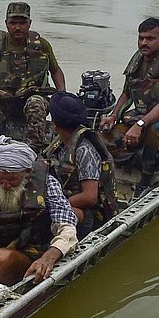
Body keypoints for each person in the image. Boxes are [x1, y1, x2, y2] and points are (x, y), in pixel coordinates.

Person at [0, 136, 79, 308]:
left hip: (31, 255)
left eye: (12, 180)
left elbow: (67, 227)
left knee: (1, 257)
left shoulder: (47, 182)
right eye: (0, 179)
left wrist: (49, 256)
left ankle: (3, 306)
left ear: (27, 172)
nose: (5, 185)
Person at [99, 17, 159, 195]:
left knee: (154, 130)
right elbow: (126, 93)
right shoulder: (137, 61)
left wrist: (140, 125)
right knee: (104, 138)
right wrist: (113, 116)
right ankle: (134, 161)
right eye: (141, 38)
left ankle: (146, 181)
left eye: (150, 38)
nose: (144, 42)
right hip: (142, 117)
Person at [0, 2, 67, 150]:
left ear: (29, 23)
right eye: (13, 23)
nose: (17, 27)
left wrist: (62, 95)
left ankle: (32, 150)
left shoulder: (42, 45)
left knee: (35, 103)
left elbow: (55, 70)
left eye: (22, 23)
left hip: (31, 97)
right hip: (1, 98)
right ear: (6, 24)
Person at [45, 92, 118, 237]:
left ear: (54, 125)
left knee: (50, 216)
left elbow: (89, 197)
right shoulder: (60, 143)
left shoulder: (84, 150)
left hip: (93, 213)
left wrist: (57, 204)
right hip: (62, 199)